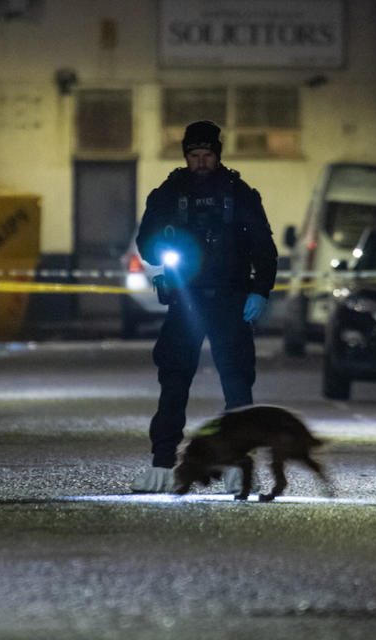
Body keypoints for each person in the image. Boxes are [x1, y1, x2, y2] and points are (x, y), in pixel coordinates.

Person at [130, 120, 278, 493]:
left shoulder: (240, 193)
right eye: (193, 155)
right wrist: (165, 239)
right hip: (186, 302)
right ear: (186, 156)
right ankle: (163, 464)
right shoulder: (169, 192)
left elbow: (264, 248)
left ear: (217, 155)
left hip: (231, 300)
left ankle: (237, 466)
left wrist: (260, 291)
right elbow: (146, 243)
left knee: (237, 384)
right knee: (174, 381)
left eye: (207, 155)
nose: (200, 162)